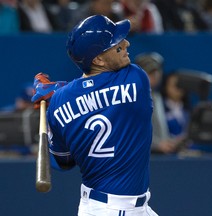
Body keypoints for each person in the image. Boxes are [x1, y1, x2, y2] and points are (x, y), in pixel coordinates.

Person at [31, 15, 158, 216]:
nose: (126, 43)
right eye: (117, 45)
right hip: (118, 209)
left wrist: (55, 101)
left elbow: (62, 163)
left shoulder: (58, 103)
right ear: (98, 59)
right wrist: (58, 89)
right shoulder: (135, 78)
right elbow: (99, 89)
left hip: (101, 206)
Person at [135, 52, 184, 154]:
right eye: (149, 72)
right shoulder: (133, 98)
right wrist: (157, 145)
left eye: (156, 71)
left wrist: (171, 141)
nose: (155, 76)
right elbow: (132, 133)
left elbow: (159, 131)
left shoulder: (156, 96)